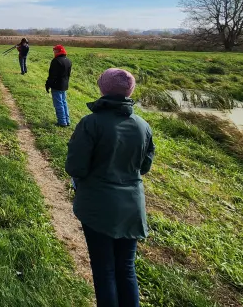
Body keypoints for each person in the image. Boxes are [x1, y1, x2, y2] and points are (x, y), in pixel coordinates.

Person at [65, 69, 155, 307]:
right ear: (129, 93)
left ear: (103, 90)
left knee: (104, 270)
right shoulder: (143, 126)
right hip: (132, 207)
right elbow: (144, 166)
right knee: (126, 269)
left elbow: (76, 166)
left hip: (98, 207)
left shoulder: (90, 123)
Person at [46, 44, 72, 126]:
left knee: (58, 104)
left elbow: (52, 75)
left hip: (56, 85)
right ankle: (67, 120)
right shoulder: (68, 60)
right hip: (64, 85)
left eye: (55, 51)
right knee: (64, 102)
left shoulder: (56, 61)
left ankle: (62, 122)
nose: (54, 52)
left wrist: (48, 84)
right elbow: (68, 75)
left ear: (58, 51)